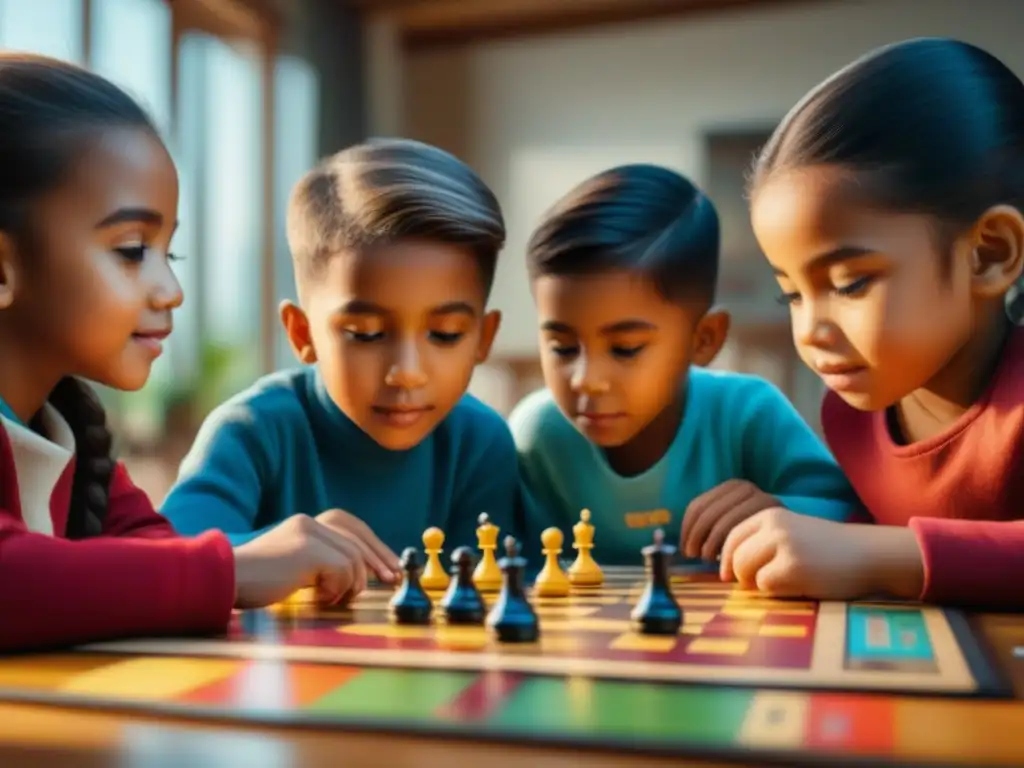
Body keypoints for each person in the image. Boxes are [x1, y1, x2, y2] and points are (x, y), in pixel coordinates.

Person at [0, 54, 367, 652]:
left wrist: (269, 549)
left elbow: (149, 548)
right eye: (130, 248)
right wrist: (231, 570)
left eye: (171, 254)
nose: (172, 291)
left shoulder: (65, 429)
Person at [722, 37, 1024, 609]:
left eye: (849, 284)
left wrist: (874, 554)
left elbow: (881, 549)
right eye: (791, 294)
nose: (811, 331)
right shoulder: (852, 419)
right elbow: (877, 525)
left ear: (988, 254)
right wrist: (787, 520)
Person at [162, 139, 520, 570]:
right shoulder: (253, 432)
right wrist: (284, 545)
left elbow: (492, 594)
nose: (405, 373)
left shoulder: (480, 444)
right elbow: (168, 559)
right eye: (365, 334)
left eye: (444, 335)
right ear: (301, 331)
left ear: (483, 337)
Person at [509, 164, 859, 565]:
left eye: (625, 349)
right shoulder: (538, 437)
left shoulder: (746, 414)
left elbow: (850, 517)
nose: (587, 381)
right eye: (563, 347)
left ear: (704, 339)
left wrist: (779, 508)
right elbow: (524, 563)